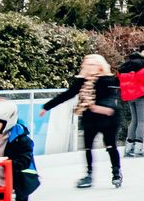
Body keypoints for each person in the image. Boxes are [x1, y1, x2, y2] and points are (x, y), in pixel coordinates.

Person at [43, 54, 124, 190]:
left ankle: (116, 172)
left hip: (108, 119)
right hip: (90, 117)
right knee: (88, 147)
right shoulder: (82, 82)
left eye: (91, 64)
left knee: (110, 146)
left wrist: (103, 107)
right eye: (86, 64)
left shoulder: (108, 80)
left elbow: (112, 98)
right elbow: (67, 94)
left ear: (99, 67)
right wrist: (47, 106)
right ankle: (89, 174)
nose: (88, 67)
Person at [116, 46, 144, 158]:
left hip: (130, 96)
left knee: (134, 120)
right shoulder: (142, 63)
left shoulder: (127, 63)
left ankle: (129, 146)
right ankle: (138, 147)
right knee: (142, 121)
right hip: (142, 95)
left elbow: (120, 78)